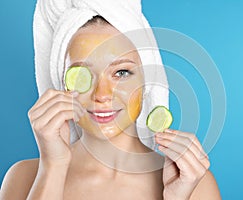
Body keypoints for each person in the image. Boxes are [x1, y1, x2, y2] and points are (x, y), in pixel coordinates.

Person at [0, 1, 221, 200]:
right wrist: (53, 167)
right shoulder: (23, 178)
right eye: (81, 76)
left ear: (148, 82)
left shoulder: (193, 185)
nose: (102, 94)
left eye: (121, 73)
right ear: (62, 85)